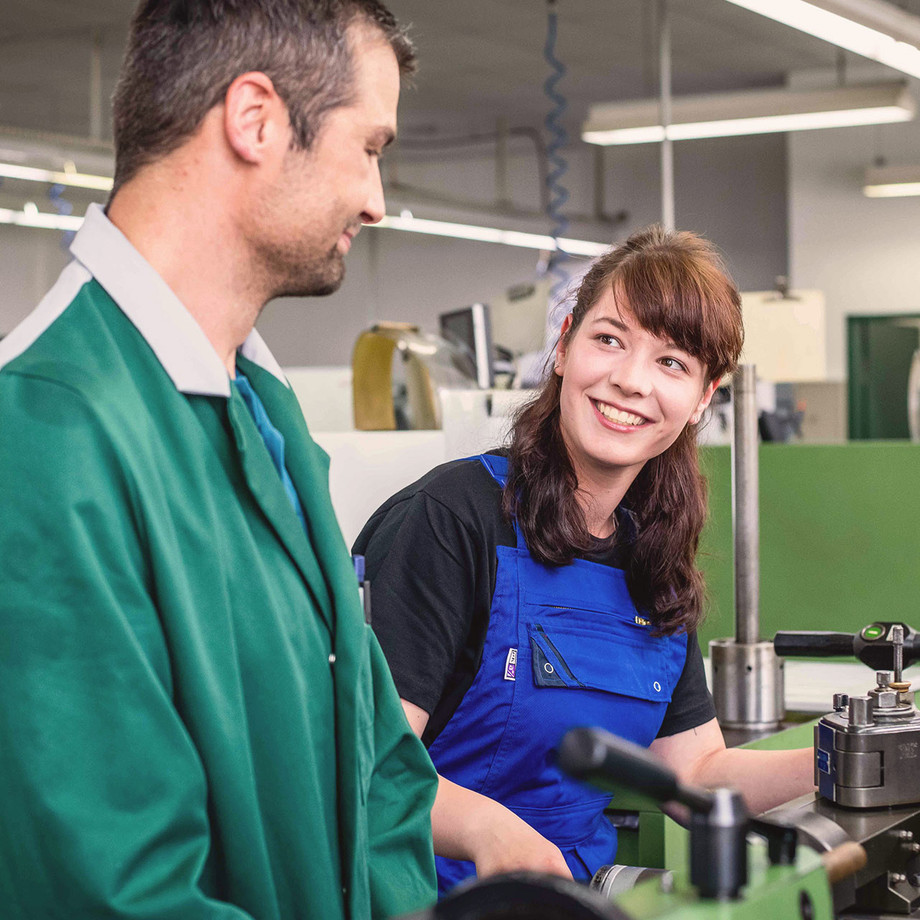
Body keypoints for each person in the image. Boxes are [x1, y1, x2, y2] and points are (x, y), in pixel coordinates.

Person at [0, 2, 437, 918]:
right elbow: (112, 890)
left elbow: (382, 768)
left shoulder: (264, 412)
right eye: (369, 148)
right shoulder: (46, 436)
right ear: (255, 120)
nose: (376, 199)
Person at [354, 226, 815, 895]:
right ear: (565, 345)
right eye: (610, 340)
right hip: (420, 896)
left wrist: (847, 760)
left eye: (672, 363)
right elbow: (366, 766)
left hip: (568, 900)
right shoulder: (450, 521)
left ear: (702, 399)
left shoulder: (652, 560)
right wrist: (490, 830)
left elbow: (695, 778)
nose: (630, 382)